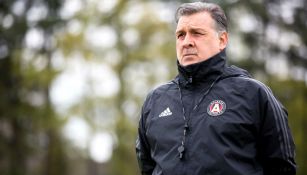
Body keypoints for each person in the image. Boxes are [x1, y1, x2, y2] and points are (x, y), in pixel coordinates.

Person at [136, 1, 296, 175]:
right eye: (181, 35)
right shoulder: (155, 100)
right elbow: (147, 166)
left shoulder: (254, 94)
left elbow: (282, 167)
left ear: (222, 40)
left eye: (197, 33)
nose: (186, 42)